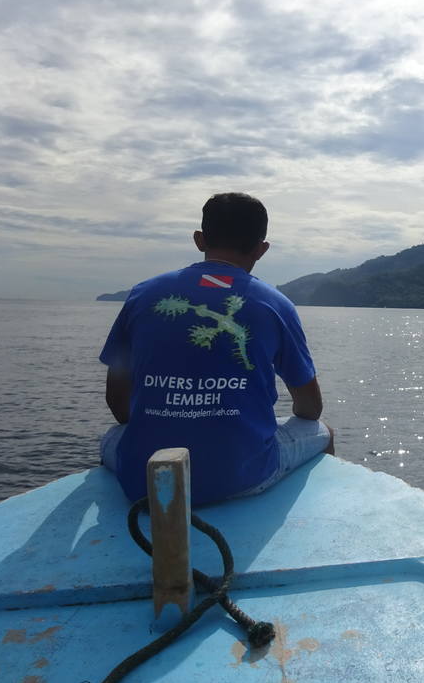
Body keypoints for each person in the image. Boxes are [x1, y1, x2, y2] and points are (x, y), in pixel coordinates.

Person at [99, 192, 332, 506]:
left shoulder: (143, 295)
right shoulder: (275, 304)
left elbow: (118, 403)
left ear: (199, 239)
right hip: (244, 476)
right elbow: (309, 409)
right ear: (262, 249)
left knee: (111, 438)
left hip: (148, 478)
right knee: (322, 430)